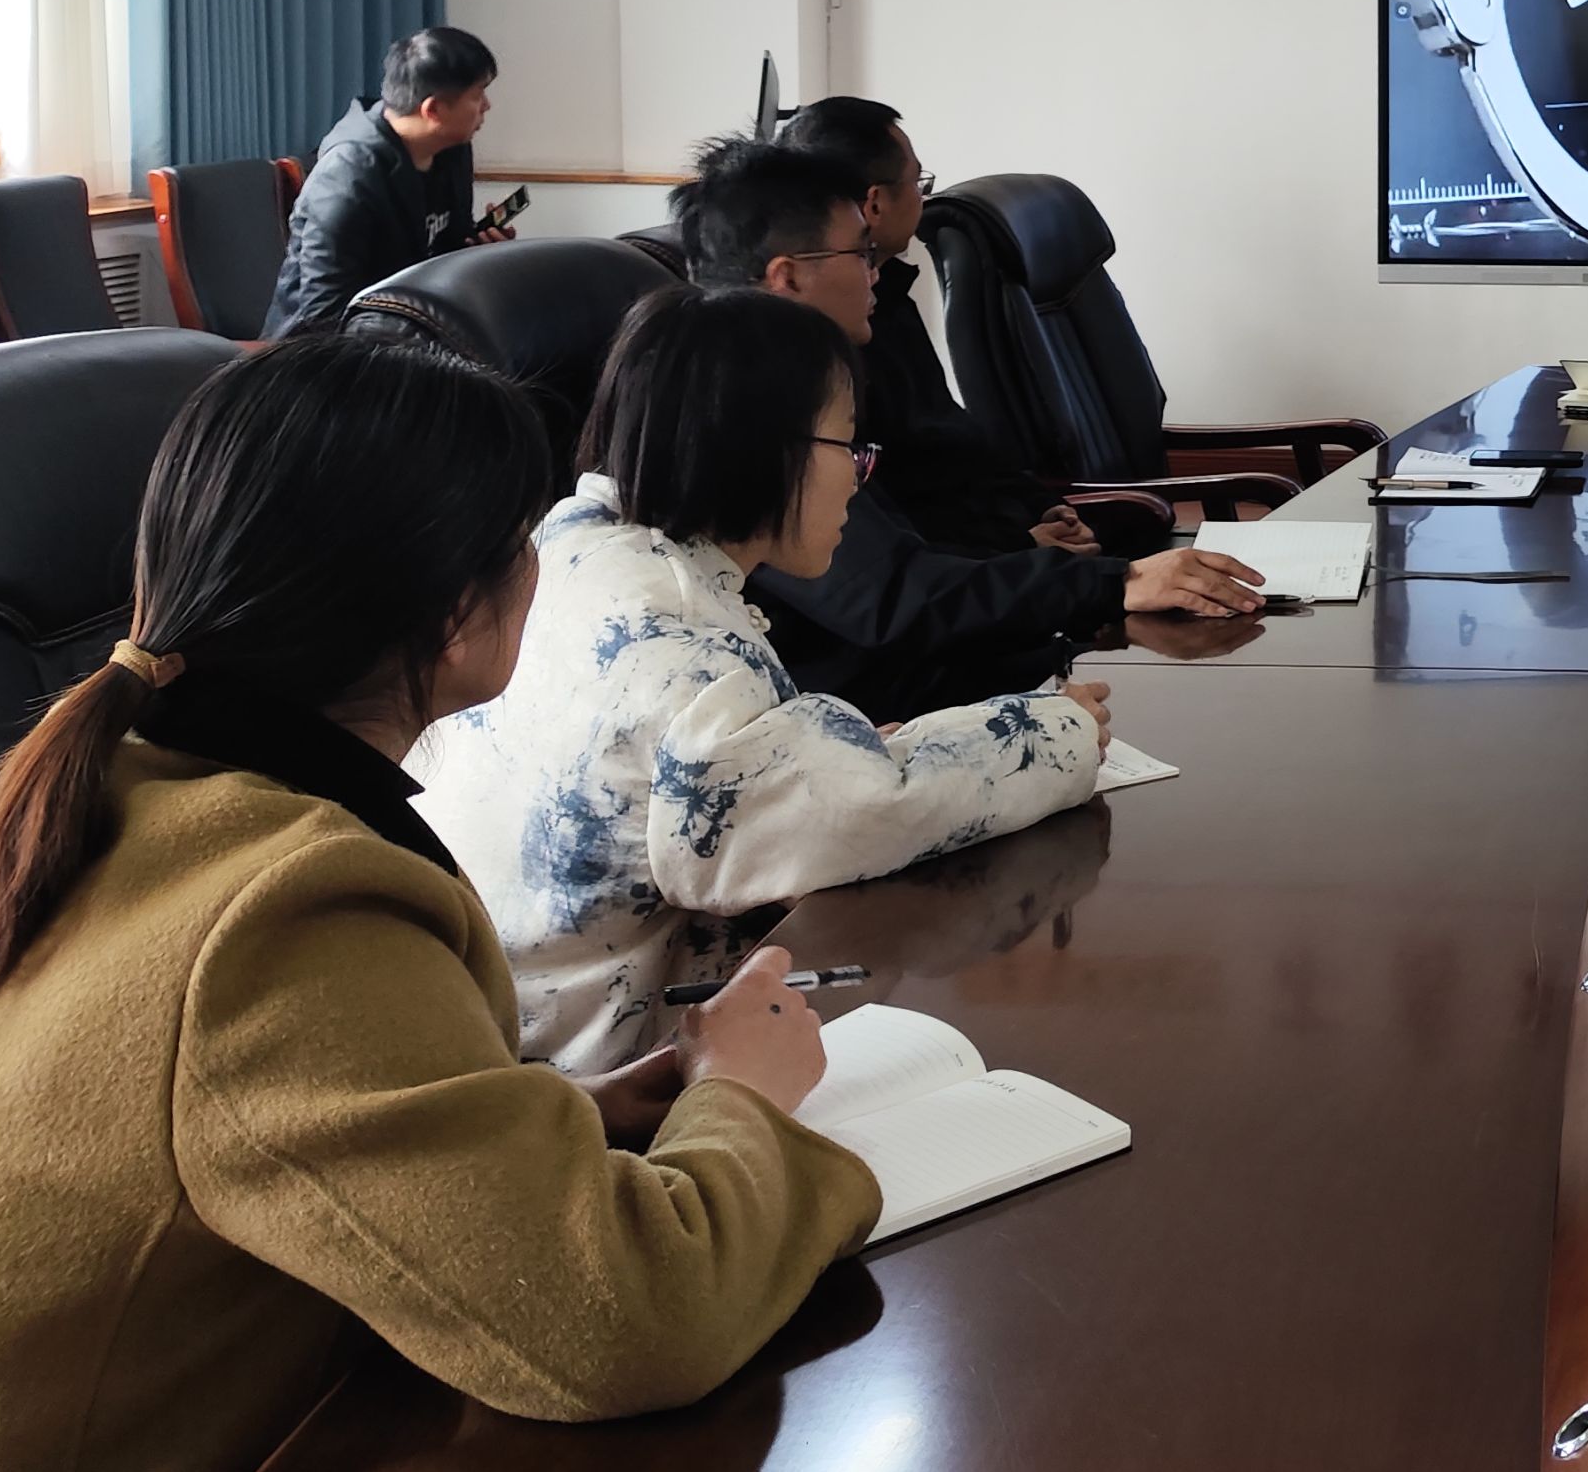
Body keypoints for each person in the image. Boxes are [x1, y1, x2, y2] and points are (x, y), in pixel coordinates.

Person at [0, 335, 877, 1472]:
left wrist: (561, 1117)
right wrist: (744, 1094)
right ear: (456, 611)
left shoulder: (114, 802)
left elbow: (224, 1140)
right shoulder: (281, 910)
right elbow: (632, 1321)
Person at [417, 285, 1119, 1067]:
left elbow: (758, 785)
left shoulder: (567, 541)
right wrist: (1060, 729)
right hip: (596, 1077)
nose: (859, 476)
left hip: (492, 1019)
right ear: (764, 448)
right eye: (846, 444)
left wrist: (834, 753)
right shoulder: (684, 641)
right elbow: (863, 811)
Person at [672, 139, 1262, 721]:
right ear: (788, 277)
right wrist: (1114, 582)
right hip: (868, 721)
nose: (876, 272)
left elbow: (912, 537)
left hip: (934, 669)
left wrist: (1030, 548)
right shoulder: (738, 413)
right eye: (861, 253)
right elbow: (890, 600)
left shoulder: (790, 375)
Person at [778, 94, 1095, 557]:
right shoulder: (814, 352)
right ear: (875, 203)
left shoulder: (888, 298)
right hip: (962, 569)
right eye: (917, 181)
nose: (923, 197)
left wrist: (1042, 507)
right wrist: (1018, 546)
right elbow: (889, 527)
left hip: (993, 550)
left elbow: (956, 440)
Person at [268, 23, 508, 334]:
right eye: (477, 95)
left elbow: (445, 255)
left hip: (411, 328)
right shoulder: (347, 176)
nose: (487, 106)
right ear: (433, 110)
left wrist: (480, 252)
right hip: (326, 348)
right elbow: (324, 312)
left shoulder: (452, 148)